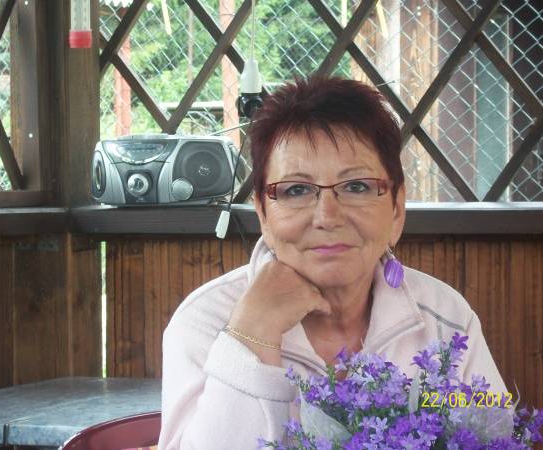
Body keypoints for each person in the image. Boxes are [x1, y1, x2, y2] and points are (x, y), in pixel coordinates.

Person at [157, 75, 507, 450]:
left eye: (357, 186)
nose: (327, 216)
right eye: (296, 190)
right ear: (263, 214)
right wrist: (252, 331)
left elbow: (496, 437)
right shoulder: (205, 322)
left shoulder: (445, 318)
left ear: (397, 208)